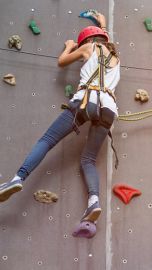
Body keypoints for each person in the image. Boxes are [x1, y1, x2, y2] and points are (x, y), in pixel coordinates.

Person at [0, 13, 120, 223]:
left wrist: (69, 46)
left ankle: (17, 178)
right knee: (88, 160)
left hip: (85, 100)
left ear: (87, 41)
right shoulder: (116, 58)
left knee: (47, 141)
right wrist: (102, 24)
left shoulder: (87, 47)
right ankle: (94, 201)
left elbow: (62, 62)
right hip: (108, 109)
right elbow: (105, 39)